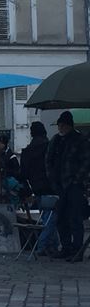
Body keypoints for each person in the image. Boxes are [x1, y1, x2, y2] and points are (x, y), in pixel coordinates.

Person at [46, 110, 90, 261]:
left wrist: (77, 179)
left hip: (74, 185)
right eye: (60, 125)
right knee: (61, 217)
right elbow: (48, 160)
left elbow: (86, 162)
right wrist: (52, 179)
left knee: (75, 218)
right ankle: (65, 247)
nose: (61, 128)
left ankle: (76, 250)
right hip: (60, 185)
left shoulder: (80, 140)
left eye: (63, 125)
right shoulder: (56, 140)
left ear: (69, 126)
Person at [20, 122, 57, 256]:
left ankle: (51, 245)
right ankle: (43, 244)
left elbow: (23, 173)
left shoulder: (28, 151)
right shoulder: (49, 146)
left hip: (36, 186)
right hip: (51, 186)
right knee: (51, 217)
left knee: (47, 215)